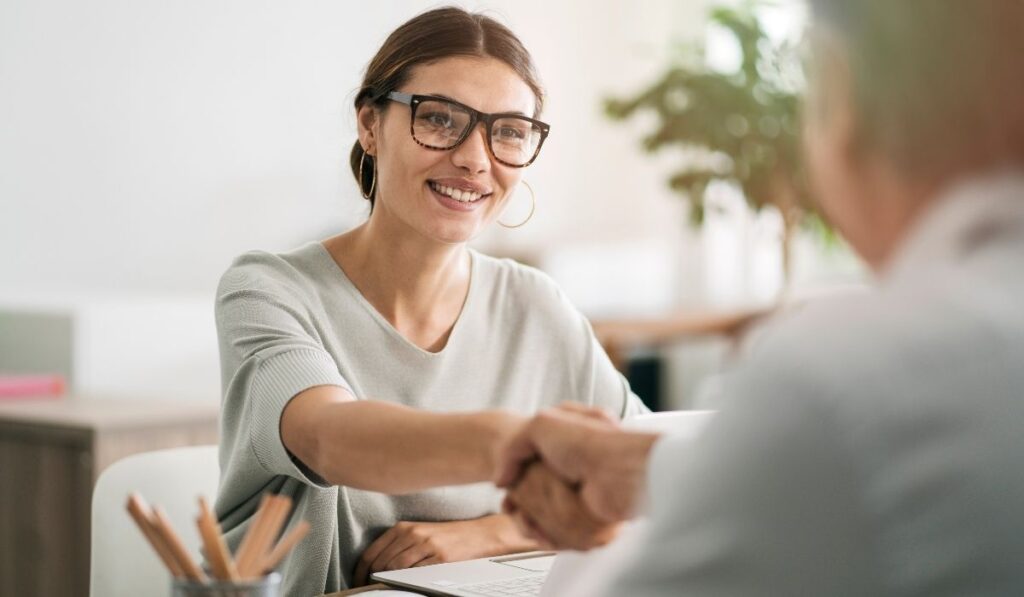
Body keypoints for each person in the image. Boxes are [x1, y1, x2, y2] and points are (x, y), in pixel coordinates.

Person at [498, 1, 1024, 595]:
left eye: (510, 130)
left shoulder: (840, 376)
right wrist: (652, 470)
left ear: (840, 97)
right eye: (441, 120)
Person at [212, 7, 647, 595]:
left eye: (510, 131)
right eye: (440, 119)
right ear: (370, 125)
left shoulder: (535, 305)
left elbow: (637, 482)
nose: (475, 158)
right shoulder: (270, 289)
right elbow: (330, 439)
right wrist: (518, 444)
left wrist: (493, 532)